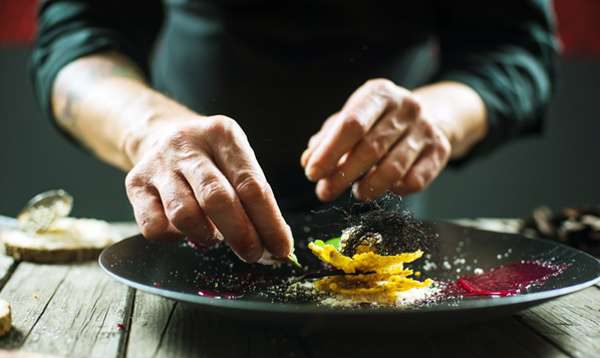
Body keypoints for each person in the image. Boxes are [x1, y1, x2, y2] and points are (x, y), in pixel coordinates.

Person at [31, 1, 557, 263]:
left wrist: (434, 118)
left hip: (383, 219)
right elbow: (77, 37)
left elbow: (513, 48)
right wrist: (148, 130)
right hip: (188, 222)